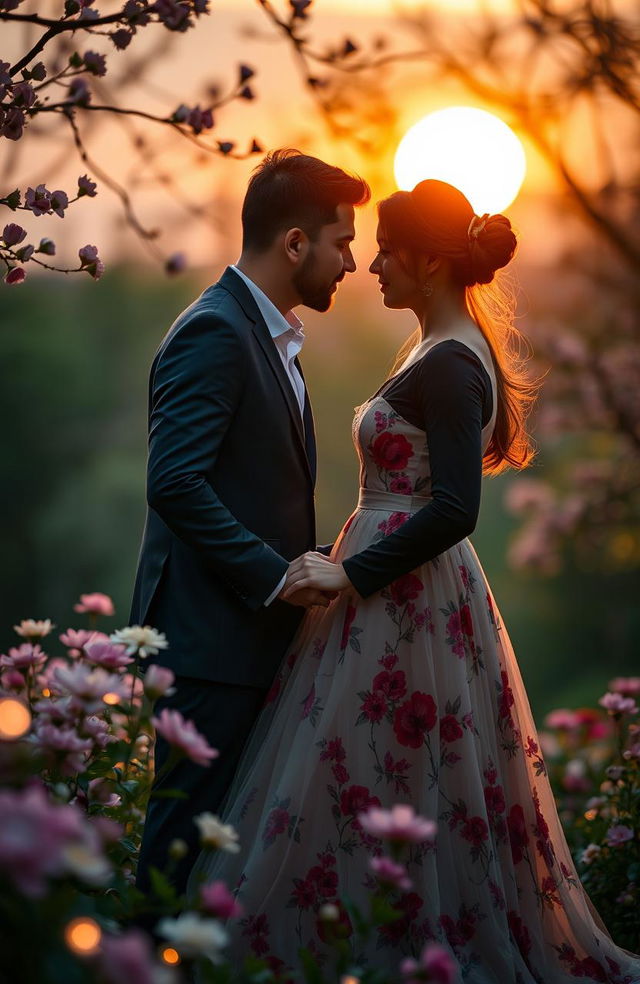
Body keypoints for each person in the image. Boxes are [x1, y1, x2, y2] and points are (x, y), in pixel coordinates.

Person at [192, 180, 640, 983]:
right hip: (383, 596)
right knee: (358, 773)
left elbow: (457, 509)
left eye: (390, 250)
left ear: (430, 262)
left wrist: (350, 573)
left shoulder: (454, 364)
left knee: (392, 770)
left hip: (404, 600)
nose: (372, 265)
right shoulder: (432, 349)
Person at [130, 149, 370, 901]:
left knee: (217, 871)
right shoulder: (216, 332)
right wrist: (275, 576)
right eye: (342, 242)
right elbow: (173, 481)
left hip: (242, 646)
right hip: (210, 651)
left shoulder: (264, 332)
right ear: (295, 243)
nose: (353, 263)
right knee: (176, 869)